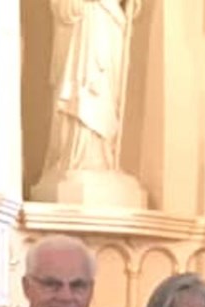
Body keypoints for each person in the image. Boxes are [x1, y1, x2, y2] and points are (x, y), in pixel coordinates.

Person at [41, 0, 143, 176]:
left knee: (107, 94)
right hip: (84, 21)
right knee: (84, 90)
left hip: (110, 22)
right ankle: (78, 159)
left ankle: (105, 157)